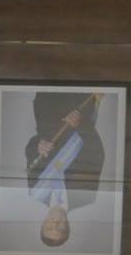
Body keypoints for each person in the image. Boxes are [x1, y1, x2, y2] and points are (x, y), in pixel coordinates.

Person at [26, 91, 106, 247]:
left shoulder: (36, 192)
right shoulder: (86, 197)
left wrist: (38, 146)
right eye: (60, 229)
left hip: (46, 108)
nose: (55, 224)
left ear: (43, 223)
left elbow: (30, 153)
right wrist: (81, 125)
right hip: (77, 107)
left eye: (49, 227)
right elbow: (97, 155)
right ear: (68, 226)